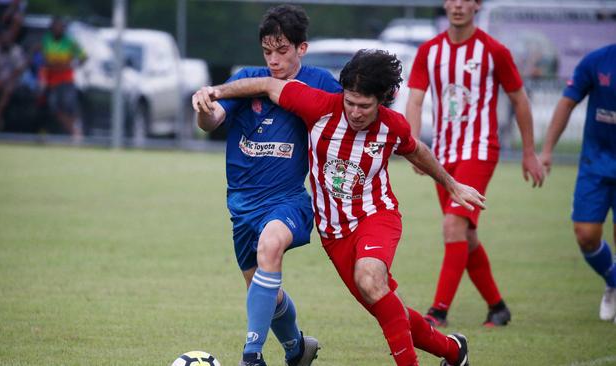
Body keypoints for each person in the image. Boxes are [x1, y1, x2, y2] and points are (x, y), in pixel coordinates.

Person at [194, 49, 484, 366]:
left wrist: (452, 184)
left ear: (382, 101)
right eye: (350, 102)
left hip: (376, 216)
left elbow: (418, 151)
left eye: (365, 106)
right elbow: (266, 84)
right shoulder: (318, 106)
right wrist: (214, 92)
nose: (356, 112)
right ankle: (454, 351)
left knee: (371, 280)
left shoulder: (392, 126)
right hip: (335, 233)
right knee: (383, 303)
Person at [192, 5, 341, 366]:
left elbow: (348, 115)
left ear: (301, 48)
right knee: (264, 292)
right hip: (242, 206)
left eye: (282, 51)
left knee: (270, 245)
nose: (273, 60)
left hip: (288, 200)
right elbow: (212, 122)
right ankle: (296, 349)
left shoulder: (320, 82)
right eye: (267, 51)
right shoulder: (248, 79)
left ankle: (251, 356)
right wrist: (202, 107)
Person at [405, 0, 545, 327]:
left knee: (453, 226)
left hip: (480, 151)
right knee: (465, 237)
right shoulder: (429, 51)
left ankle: (437, 312)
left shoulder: (493, 50)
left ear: (477, 5)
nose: (457, 5)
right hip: (442, 156)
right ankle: (498, 308)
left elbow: (519, 99)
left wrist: (528, 151)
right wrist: (413, 145)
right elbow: (414, 98)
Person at [540, 44, 616, 323]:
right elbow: (567, 102)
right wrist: (547, 150)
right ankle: (613, 281)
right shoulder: (597, 61)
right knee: (586, 235)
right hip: (594, 165)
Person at [40, 17, 86, 138]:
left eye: (60, 27)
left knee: (69, 105)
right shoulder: (46, 40)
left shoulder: (69, 42)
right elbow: (44, 59)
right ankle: (73, 131)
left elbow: (83, 56)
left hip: (66, 79)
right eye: (55, 26)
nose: (57, 29)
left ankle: (76, 130)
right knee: (55, 108)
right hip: (51, 80)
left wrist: (72, 65)